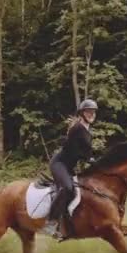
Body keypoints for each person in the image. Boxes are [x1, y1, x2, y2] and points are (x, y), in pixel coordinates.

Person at [48, 99, 98, 237]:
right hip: (60, 164)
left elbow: (87, 152)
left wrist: (94, 160)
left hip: (69, 166)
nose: (91, 114)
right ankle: (51, 222)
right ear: (82, 113)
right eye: (88, 112)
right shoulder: (77, 128)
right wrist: (89, 159)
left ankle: (68, 222)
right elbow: (74, 151)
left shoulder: (88, 131)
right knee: (68, 188)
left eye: (93, 112)